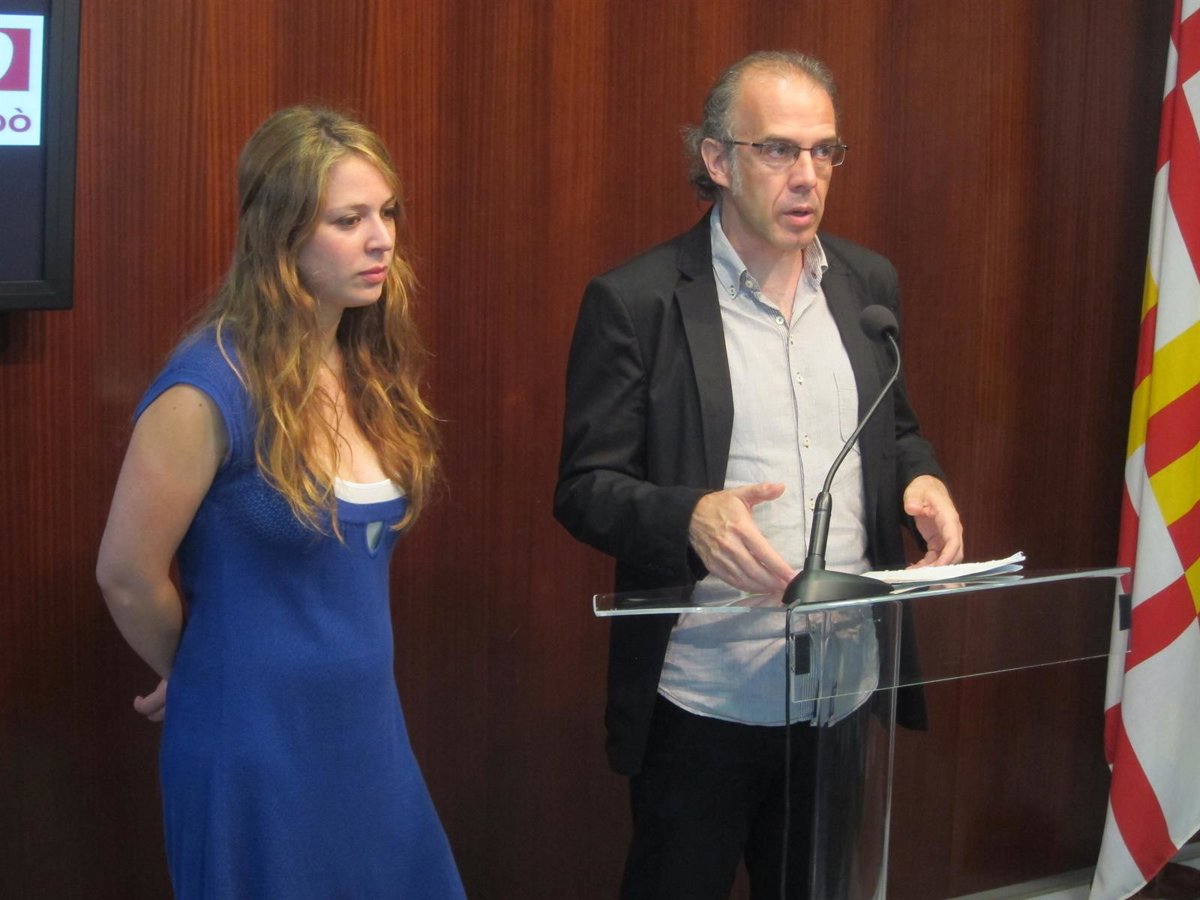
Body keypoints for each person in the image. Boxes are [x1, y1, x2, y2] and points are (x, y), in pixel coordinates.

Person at [554, 51, 964, 899]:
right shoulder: (637, 302)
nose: (807, 175)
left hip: (839, 693)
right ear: (717, 159)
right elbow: (586, 486)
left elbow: (896, 430)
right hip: (705, 698)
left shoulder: (866, 285)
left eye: (825, 150)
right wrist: (689, 515)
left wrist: (919, 482)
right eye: (778, 149)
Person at [96, 105, 466, 900]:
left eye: (387, 212)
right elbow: (126, 575)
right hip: (251, 754)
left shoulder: (365, 364)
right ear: (280, 234)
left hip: (368, 738)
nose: (381, 239)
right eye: (348, 220)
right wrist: (200, 672)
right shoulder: (207, 388)